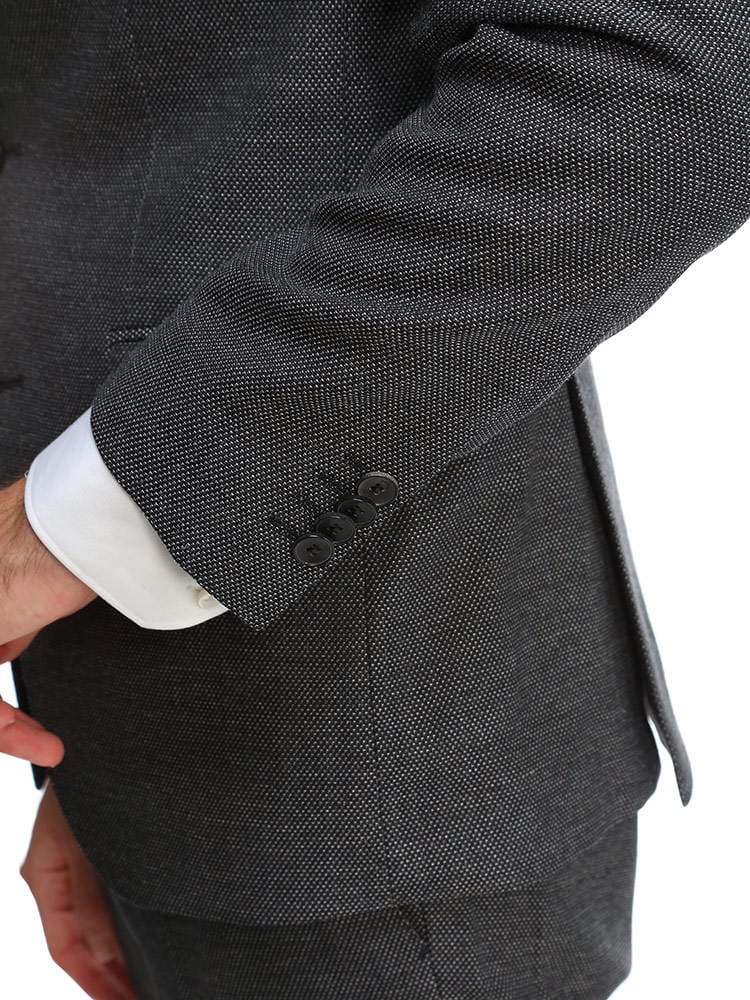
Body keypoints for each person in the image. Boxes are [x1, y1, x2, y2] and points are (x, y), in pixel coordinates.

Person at [1, 1, 748, 997]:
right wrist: (95, 746)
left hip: (373, 773)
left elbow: (673, 77)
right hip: (169, 747)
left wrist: (85, 525)